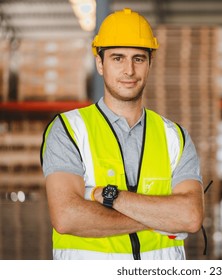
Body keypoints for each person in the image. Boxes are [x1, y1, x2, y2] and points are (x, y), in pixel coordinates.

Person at [40, 8, 204, 260]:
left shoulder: (175, 137)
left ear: (150, 64)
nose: (129, 70)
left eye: (138, 58)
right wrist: (161, 218)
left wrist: (106, 196)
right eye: (118, 58)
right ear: (100, 63)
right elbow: (67, 217)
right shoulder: (68, 130)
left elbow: (190, 217)